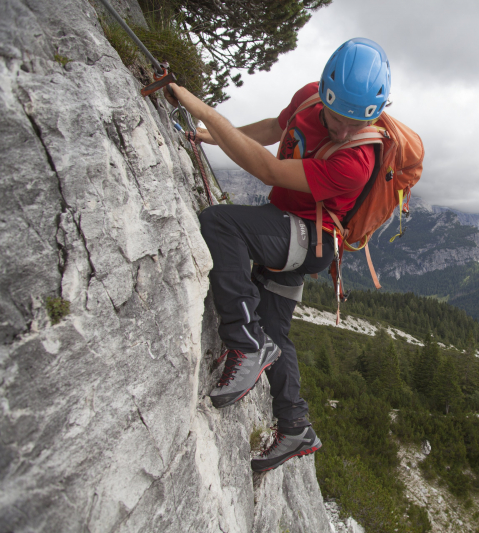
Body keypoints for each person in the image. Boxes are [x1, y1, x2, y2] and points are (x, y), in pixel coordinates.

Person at [164, 38, 391, 472]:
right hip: (290, 228)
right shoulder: (308, 97)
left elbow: (267, 168)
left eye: (356, 123)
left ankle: (245, 343)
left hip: (309, 239)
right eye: (338, 119)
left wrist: (203, 110)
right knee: (276, 332)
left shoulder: (358, 159)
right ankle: (294, 426)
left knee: (220, 223)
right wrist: (211, 136)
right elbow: (274, 128)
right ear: (324, 94)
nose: (344, 132)